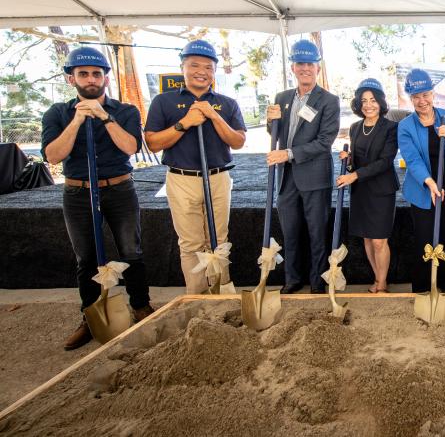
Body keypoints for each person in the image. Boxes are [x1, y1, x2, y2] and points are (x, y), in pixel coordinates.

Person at [42, 47, 154, 350]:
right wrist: (77, 122)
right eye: (83, 74)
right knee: (86, 258)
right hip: (77, 191)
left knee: (132, 251)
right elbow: (53, 155)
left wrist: (104, 117)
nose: (91, 79)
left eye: (96, 74)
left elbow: (130, 147)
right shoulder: (58, 113)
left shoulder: (126, 111)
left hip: (119, 189)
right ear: (71, 79)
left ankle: (141, 306)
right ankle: (90, 317)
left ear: (106, 78)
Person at [144, 39, 246, 294]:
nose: (202, 71)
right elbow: (153, 143)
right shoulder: (163, 102)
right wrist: (185, 122)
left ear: (214, 71)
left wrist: (213, 115)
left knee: (219, 239)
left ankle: (221, 293)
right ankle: (197, 297)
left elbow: (238, 141)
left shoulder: (227, 103)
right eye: (194, 65)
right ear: (183, 68)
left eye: (208, 67)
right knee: (190, 243)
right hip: (182, 179)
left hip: (217, 177)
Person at [266, 39, 340, 294]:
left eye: (310, 64)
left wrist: (287, 154)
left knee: (317, 232)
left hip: (315, 177)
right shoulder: (282, 97)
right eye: (300, 64)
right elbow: (275, 133)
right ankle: (293, 279)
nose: (305, 68)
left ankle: (318, 282)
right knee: (290, 231)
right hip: (286, 179)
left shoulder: (329, 101)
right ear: (293, 68)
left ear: (317, 68)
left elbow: (324, 142)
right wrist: (270, 121)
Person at [397, 68, 445, 293]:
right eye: (416, 97)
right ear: (411, 99)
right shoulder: (406, 126)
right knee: (424, 238)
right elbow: (412, 160)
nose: (422, 101)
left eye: (425, 94)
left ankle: (443, 280)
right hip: (423, 189)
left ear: (433, 94)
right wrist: (430, 183)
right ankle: (421, 285)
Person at [337, 78, 399, 293]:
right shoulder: (355, 127)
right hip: (361, 190)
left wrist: (354, 175)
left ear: (381, 102)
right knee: (367, 239)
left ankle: (382, 283)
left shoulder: (391, 127)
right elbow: (359, 159)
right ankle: (376, 277)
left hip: (381, 190)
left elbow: (384, 161)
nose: (368, 105)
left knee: (380, 241)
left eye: (373, 100)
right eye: (364, 100)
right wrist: (349, 159)